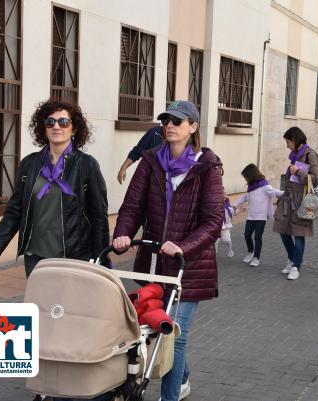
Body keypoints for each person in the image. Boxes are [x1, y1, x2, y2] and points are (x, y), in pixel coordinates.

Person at [112, 100, 223, 401]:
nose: (169, 125)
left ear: (193, 127)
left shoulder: (207, 167)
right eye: (166, 120)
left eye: (177, 120)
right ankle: (183, 377)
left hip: (189, 266)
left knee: (174, 337)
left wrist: (183, 246)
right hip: (153, 266)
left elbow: (213, 221)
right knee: (156, 328)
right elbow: (133, 206)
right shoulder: (151, 161)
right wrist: (123, 234)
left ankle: (170, 396)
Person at [0, 99, 110, 278]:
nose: (56, 126)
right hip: (36, 257)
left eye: (63, 122)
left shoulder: (87, 165)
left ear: (74, 128)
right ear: (44, 128)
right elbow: (14, 213)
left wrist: (101, 258)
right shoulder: (29, 164)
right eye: (50, 122)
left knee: (69, 306)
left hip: (74, 257)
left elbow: (99, 216)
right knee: (41, 305)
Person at [274, 127, 318, 281]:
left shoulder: (310, 154)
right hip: (288, 199)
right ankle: (291, 258)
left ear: (294, 140)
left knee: (299, 233)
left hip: (302, 200)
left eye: (287, 141)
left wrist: (298, 172)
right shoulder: (294, 155)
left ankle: (296, 266)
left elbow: (316, 179)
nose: (287, 145)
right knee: (283, 229)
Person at [234, 163, 283, 267]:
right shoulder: (251, 188)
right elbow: (244, 198)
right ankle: (250, 252)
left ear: (251, 175)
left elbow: (276, 192)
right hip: (251, 217)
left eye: (246, 177)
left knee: (257, 237)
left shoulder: (265, 187)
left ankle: (256, 258)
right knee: (247, 235)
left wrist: (287, 193)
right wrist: (234, 205)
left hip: (261, 218)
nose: (245, 179)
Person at [217, 193, 235, 258]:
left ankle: (230, 249)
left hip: (225, 227)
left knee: (226, 240)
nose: (223, 195)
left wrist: (240, 210)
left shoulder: (228, 208)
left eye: (224, 193)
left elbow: (234, 212)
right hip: (215, 227)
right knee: (215, 242)